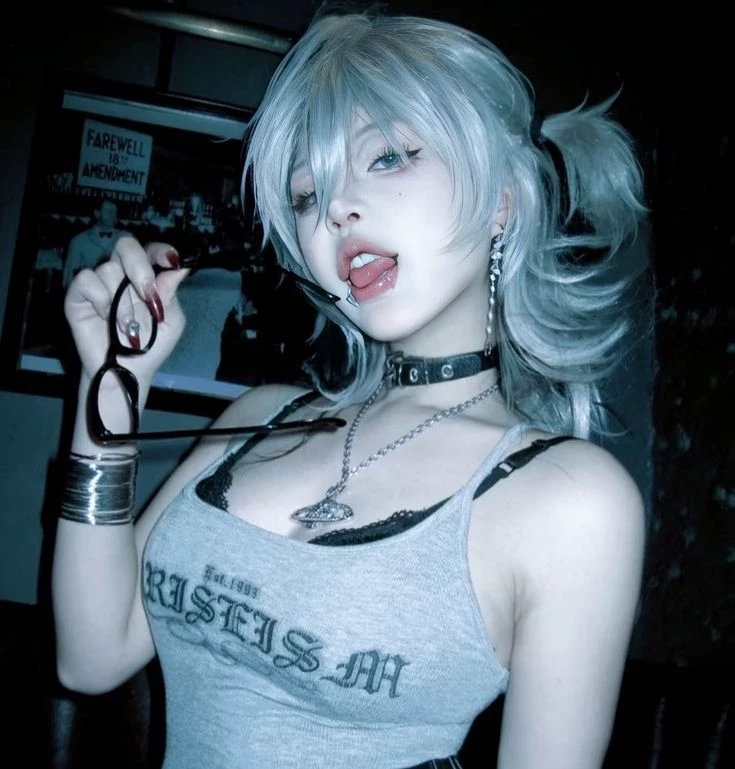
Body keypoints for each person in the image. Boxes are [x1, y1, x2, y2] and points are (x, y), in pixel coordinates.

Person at [52, 10, 648, 769]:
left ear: (501, 197)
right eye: (306, 195)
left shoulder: (569, 499)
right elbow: (91, 655)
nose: (335, 210)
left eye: (389, 157)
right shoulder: (258, 416)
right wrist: (110, 383)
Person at [62, 197, 128, 288]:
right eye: (109, 212)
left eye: (115, 213)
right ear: (97, 213)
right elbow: (70, 278)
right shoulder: (79, 241)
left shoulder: (125, 238)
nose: (113, 216)